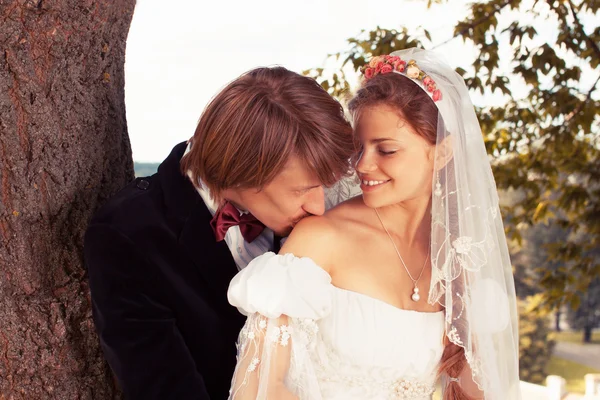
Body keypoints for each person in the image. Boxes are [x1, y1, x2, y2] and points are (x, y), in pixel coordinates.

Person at [227, 48, 521, 400]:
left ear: (443, 152)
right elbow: (258, 388)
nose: (362, 166)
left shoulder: (456, 261)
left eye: (386, 150)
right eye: (358, 147)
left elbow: (472, 392)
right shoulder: (321, 239)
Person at [83, 66, 355, 399]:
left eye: (323, 187)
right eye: (303, 190)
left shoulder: (331, 214)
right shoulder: (128, 237)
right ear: (245, 172)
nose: (319, 206)